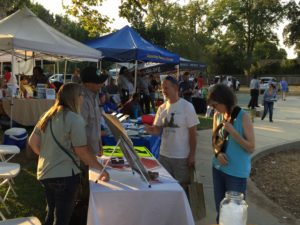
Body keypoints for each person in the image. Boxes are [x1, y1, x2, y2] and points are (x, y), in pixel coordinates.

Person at [28, 83, 109, 225]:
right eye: (81, 95)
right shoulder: (75, 119)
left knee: (51, 213)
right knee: (62, 219)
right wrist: (100, 169)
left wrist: (49, 155)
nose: (83, 98)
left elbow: (33, 142)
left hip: (45, 172)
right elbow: (82, 152)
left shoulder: (46, 115)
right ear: (75, 98)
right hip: (65, 176)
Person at [207, 84, 255, 223]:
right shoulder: (217, 115)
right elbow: (214, 140)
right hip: (218, 169)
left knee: (234, 215)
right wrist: (217, 154)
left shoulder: (243, 117)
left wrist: (234, 132)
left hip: (236, 173)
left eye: (215, 105)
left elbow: (251, 147)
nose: (214, 108)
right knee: (220, 210)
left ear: (224, 100)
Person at [144, 75, 199, 193]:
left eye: (166, 88)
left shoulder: (187, 107)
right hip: (164, 156)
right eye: (162, 88)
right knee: (165, 188)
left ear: (175, 88)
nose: (163, 91)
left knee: (182, 190)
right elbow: (157, 130)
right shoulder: (161, 108)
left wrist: (192, 155)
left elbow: (193, 134)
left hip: (181, 158)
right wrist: (149, 130)